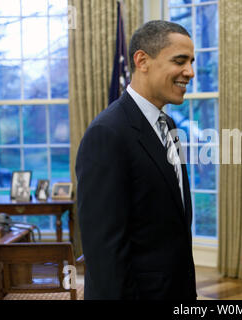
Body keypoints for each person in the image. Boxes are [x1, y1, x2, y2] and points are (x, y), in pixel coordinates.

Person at [76, 20, 196, 300]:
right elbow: (104, 251)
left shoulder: (170, 125)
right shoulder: (106, 134)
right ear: (142, 60)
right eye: (180, 61)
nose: (189, 72)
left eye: (191, 61)